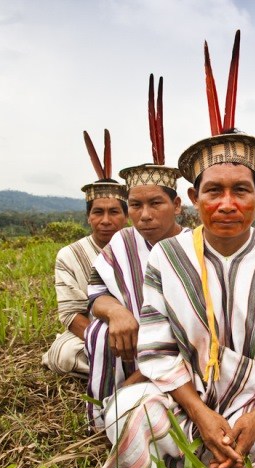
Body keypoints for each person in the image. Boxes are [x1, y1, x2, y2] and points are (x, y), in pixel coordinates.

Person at [99, 31, 255, 468]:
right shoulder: (168, 256)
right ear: (194, 198)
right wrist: (203, 415)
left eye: (241, 190)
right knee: (126, 414)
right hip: (185, 397)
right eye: (214, 191)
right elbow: (156, 349)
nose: (227, 204)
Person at [85, 74, 187, 427]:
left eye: (156, 203)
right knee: (99, 331)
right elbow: (96, 291)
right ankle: (104, 413)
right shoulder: (123, 241)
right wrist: (116, 313)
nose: (144, 215)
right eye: (135, 205)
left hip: (185, 346)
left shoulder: (195, 242)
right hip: (131, 339)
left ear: (176, 204)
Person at [42, 130, 127, 378]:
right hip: (93, 334)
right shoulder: (70, 255)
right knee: (63, 355)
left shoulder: (139, 246)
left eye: (114, 212)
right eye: (98, 212)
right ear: (88, 216)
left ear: (126, 215)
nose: (106, 220)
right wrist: (104, 343)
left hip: (140, 333)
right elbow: (71, 314)